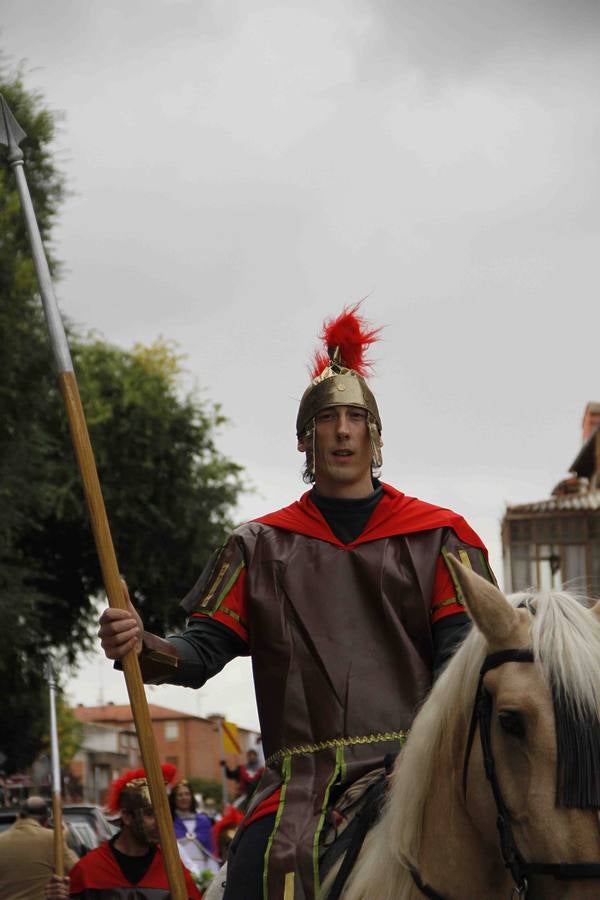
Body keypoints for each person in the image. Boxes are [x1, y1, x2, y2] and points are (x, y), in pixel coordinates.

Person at [98, 305, 496, 900]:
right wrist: (142, 644)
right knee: (253, 874)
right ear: (305, 440)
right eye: (327, 419)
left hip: (417, 771)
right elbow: (201, 650)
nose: (341, 430)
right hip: (299, 784)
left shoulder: (440, 537)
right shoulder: (258, 546)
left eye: (355, 418)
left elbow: (461, 664)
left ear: (374, 435)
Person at [45, 765, 200, 900]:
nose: (160, 823)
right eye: (150, 814)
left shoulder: (173, 869)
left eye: (164, 815)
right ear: (126, 817)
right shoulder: (89, 870)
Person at [0, 795, 78, 900]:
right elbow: (77, 873)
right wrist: (63, 837)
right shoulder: (53, 839)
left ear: (18, 816)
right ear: (46, 821)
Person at [169, 779, 220, 877]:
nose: (184, 797)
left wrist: (211, 875)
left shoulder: (204, 821)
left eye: (187, 794)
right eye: (180, 795)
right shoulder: (169, 822)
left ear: (192, 797)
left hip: (204, 872)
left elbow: (211, 852)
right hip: (179, 872)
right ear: (173, 799)